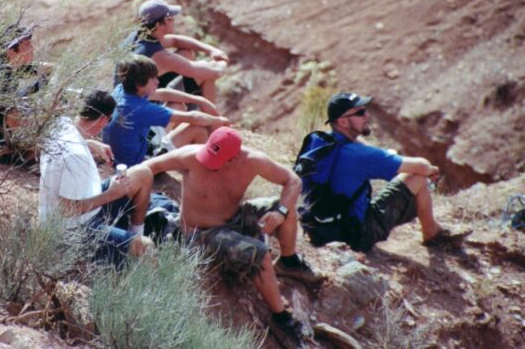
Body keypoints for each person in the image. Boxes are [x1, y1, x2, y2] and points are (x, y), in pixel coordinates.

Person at [128, 127, 322, 347]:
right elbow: (147, 167)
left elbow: (293, 180)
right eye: (209, 154)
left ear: (235, 156)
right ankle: (280, 318)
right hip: (201, 233)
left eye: (217, 158)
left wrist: (280, 213)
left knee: (286, 210)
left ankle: (288, 261)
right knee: (258, 254)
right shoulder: (191, 156)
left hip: (234, 218)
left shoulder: (253, 161)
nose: (209, 162)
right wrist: (124, 184)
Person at [316, 92, 471, 253]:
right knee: (416, 178)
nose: (366, 116)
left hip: (327, 228)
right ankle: (431, 232)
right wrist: (430, 170)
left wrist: (388, 157)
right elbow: (421, 166)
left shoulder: (324, 143)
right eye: (360, 113)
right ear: (343, 121)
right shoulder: (360, 155)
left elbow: (366, 151)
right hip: (359, 234)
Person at [39, 90, 157, 266]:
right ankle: (132, 265)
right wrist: (111, 195)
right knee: (146, 247)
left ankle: (132, 236)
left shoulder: (61, 124)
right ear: (103, 119)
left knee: (142, 174)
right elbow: (67, 210)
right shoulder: (76, 157)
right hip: (72, 230)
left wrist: (89, 142)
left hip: (82, 209)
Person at [103, 54, 230, 167]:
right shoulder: (141, 109)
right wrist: (217, 120)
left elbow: (161, 94)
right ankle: (207, 169)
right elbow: (193, 117)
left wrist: (199, 100)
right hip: (139, 163)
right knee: (197, 129)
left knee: (176, 105)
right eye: (152, 78)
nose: (157, 81)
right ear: (139, 84)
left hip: (125, 151)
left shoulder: (122, 90)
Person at [124, 0, 228, 105]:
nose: (173, 20)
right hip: (141, 111)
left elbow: (175, 40)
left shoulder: (142, 36)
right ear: (158, 25)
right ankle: (209, 119)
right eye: (169, 18)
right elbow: (215, 71)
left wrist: (211, 50)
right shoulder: (159, 56)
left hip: (138, 94)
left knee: (186, 53)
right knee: (205, 73)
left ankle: (205, 114)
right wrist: (223, 60)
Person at [0, 27, 49, 166]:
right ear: (12, 51)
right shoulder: (4, 78)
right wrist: (31, 144)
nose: (32, 48)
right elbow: (13, 121)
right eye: (27, 45)